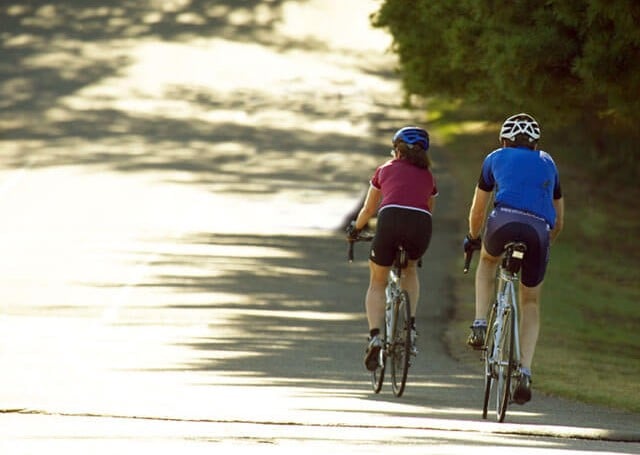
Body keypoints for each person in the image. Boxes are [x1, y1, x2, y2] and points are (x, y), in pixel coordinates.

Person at [463, 113, 564, 404]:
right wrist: (545, 246)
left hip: (502, 222)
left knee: (487, 262)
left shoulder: (494, 157)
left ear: (504, 140)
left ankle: (480, 324)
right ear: (535, 143)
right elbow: (558, 221)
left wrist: (473, 236)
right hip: (538, 231)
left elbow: (478, 212)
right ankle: (526, 371)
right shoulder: (549, 163)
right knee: (530, 300)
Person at [346, 126, 438, 371]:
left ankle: (376, 336)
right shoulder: (428, 176)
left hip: (390, 221)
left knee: (378, 280)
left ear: (397, 150)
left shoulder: (385, 169)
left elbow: (368, 209)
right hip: (421, 225)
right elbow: (429, 209)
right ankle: (410, 326)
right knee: (410, 269)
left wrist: (356, 229)